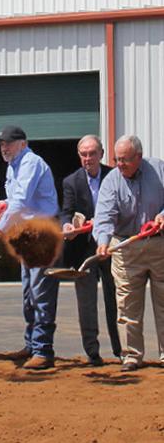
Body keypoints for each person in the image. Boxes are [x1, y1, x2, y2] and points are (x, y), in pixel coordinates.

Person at [0, 125, 60, 370]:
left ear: (23, 143)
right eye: (1, 144)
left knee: (40, 294)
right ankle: (31, 345)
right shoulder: (14, 166)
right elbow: (17, 200)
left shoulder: (30, 163)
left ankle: (42, 350)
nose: (3, 147)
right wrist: (3, 204)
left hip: (41, 234)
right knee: (29, 294)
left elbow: (21, 201)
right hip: (28, 234)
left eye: (8, 143)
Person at [93, 135, 164, 372]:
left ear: (139, 157)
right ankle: (131, 355)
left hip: (159, 245)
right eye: (117, 159)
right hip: (124, 247)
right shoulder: (112, 181)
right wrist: (102, 242)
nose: (120, 164)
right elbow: (104, 217)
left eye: (125, 160)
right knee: (126, 304)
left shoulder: (159, 170)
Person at [60, 135, 119, 365]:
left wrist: (103, 222)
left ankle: (120, 349)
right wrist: (67, 225)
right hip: (83, 250)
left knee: (115, 299)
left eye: (92, 153)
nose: (88, 158)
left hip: (111, 247)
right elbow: (66, 211)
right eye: (83, 154)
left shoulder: (113, 176)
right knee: (86, 302)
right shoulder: (71, 182)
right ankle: (92, 352)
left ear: (101, 154)